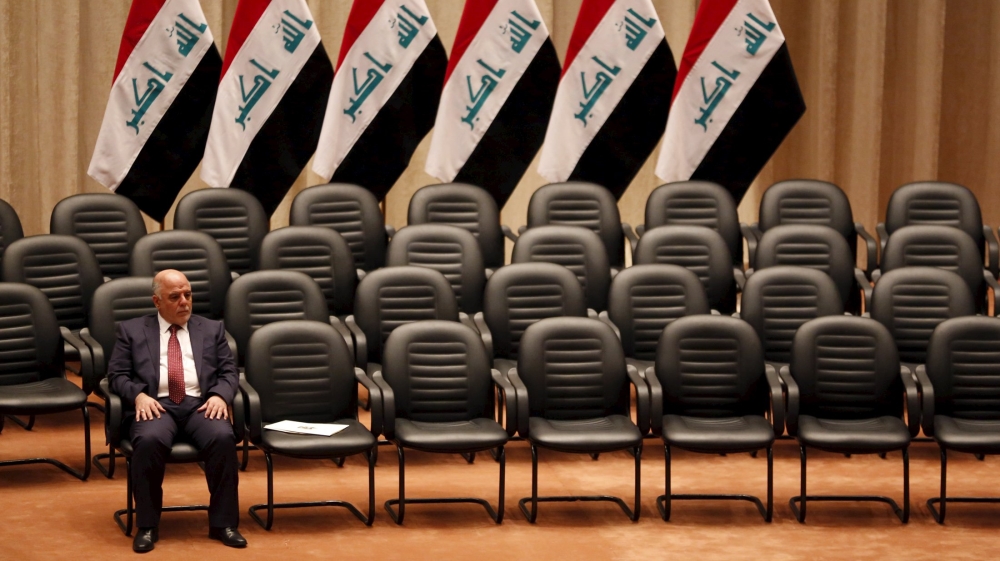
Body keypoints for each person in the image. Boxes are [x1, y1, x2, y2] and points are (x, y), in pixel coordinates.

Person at [108, 269, 246, 552]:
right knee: (148, 441)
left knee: (222, 438)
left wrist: (221, 395)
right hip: (157, 405)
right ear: (157, 301)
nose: (184, 301)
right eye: (175, 297)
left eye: (188, 294)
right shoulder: (131, 330)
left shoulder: (211, 328)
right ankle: (147, 525)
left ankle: (224, 523)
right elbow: (117, 375)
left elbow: (229, 371)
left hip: (200, 404)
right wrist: (139, 396)